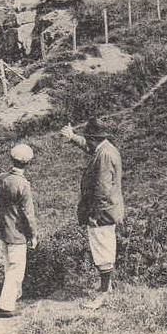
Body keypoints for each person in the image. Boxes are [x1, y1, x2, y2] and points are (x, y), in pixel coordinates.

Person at [60, 117, 124, 310]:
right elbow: (90, 148)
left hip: (102, 212)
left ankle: (103, 295)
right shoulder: (106, 148)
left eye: (87, 138)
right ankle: (108, 288)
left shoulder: (103, 156)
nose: (86, 142)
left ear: (94, 138)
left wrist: (95, 215)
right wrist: (72, 137)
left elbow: (102, 190)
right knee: (106, 248)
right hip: (110, 210)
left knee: (102, 252)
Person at [0, 143, 39, 318]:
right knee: (15, 270)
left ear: (12, 159)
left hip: (4, 230)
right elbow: (28, 214)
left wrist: (5, 220)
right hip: (17, 233)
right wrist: (33, 235)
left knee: (8, 266)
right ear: (27, 163)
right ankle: (5, 307)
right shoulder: (23, 184)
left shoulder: (2, 179)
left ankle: (9, 299)